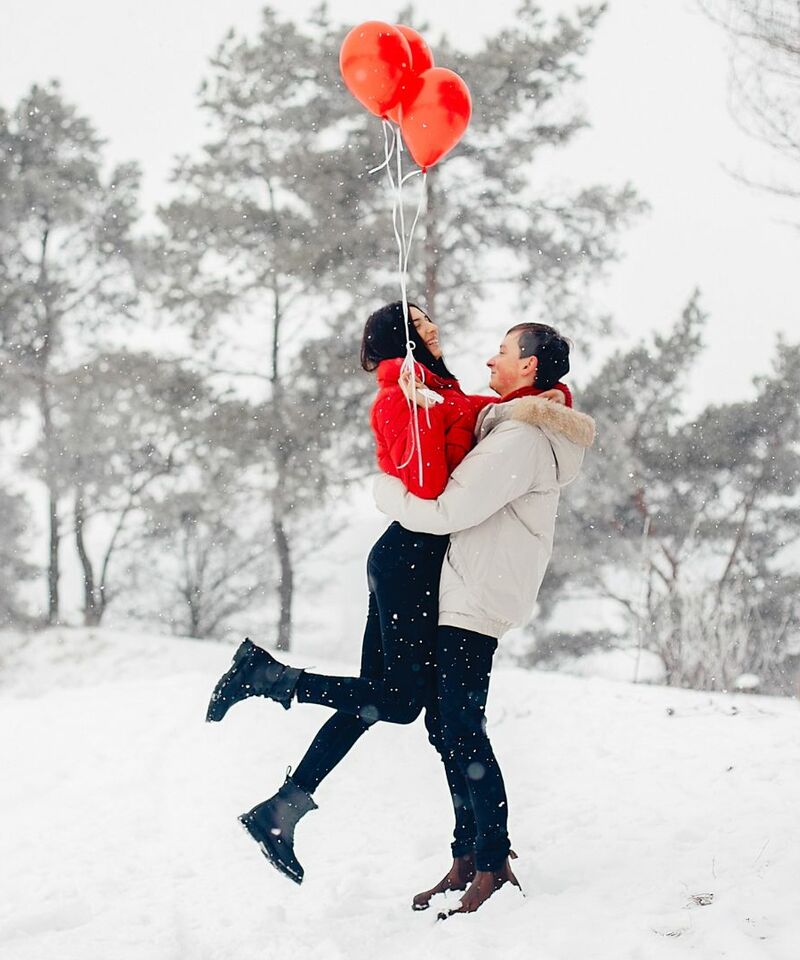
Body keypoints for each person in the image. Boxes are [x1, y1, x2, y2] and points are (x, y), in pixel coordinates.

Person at [204, 302, 573, 893]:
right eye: (424, 326)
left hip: (415, 561)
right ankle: (268, 678)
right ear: (407, 342)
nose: (438, 331)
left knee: (381, 698)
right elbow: (430, 486)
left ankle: (282, 809)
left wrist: (548, 400)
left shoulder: (440, 388)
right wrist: (387, 488)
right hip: (409, 561)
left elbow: (486, 416)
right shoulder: (405, 393)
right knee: (400, 702)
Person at [373, 323, 596, 915]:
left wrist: (384, 495)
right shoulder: (513, 426)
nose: (490, 358)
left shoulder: (519, 439)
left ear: (528, 368)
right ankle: (468, 855)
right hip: (473, 586)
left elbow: (450, 508)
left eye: (502, 351)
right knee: (445, 725)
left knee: (461, 727)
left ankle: (492, 864)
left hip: (477, 594)